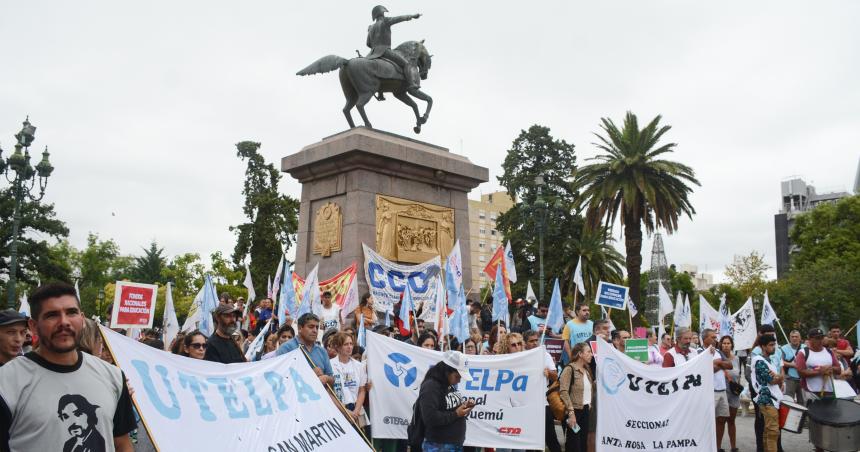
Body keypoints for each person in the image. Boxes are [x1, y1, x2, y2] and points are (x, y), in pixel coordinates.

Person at [0, 282, 135, 452]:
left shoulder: (113, 376)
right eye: (52, 315)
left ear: (82, 319)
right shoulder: (6, 383)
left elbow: (122, 444)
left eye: (71, 312)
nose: (64, 322)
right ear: (33, 326)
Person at [415, 350, 473, 452]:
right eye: (457, 376)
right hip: (438, 445)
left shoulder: (448, 384)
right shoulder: (431, 386)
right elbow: (430, 418)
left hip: (452, 444)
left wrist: (464, 406)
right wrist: (456, 414)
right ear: (447, 371)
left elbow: (447, 407)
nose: (459, 380)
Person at [366, 5, 422, 94]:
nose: (384, 14)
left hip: (371, 54)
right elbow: (399, 18)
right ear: (382, 13)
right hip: (384, 51)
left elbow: (368, 43)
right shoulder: (386, 21)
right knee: (406, 64)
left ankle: (380, 92)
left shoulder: (371, 27)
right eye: (384, 13)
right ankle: (412, 84)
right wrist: (412, 16)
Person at [523, 330, 561, 452]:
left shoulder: (545, 355)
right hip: (524, 404)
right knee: (528, 440)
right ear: (525, 343)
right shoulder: (519, 356)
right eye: (531, 341)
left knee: (550, 437)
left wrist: (548, 373)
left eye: (536, 340)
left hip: (542, 403)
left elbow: (555, 376)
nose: (535, 343)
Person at [277, 313, 334, 386]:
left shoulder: (322, 351)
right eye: (311, 327)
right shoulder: (286, 348)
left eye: (317, 327)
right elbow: (280, 377)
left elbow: (332, 379)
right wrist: (309, 375)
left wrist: (327, 378)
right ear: (300, 328)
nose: (315, 330)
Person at [559, 342, 594, 452]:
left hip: (585, 411)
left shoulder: (587, 370)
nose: (591, 354)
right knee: (574, 443)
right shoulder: (569, 369)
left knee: (583, 442)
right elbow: (563, 391)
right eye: (588, 352)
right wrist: (571, 413)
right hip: (574, 412)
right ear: (580, 354)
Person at [702, 329, 733, 452]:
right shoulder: (700, 352)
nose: (716, 339)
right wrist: (720, 364)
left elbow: (730, 365)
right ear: (705, 338)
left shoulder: (719, 351)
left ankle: (717, 447)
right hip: (710, 391)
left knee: (721, 419)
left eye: (716, 337)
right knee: (707, 421)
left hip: (722, 390)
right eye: (713, 337)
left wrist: (717, 362)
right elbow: (706, 369)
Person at [751, 335, 783, 452]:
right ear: (763, 346)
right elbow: (772, 380)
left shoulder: (768, 361)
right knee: (773, 431)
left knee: (768, 430)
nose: (773, 347)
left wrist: (778, 377)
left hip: (771, 399)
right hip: (768, 399)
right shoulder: (760, 361)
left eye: (774, 345)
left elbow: (777, 379)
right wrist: (779, 377)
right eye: (770, 345)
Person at [329, 333, 368, 424]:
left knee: (362, 436)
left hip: (357, 410)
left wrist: (356, 411)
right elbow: (329, 392)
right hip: (339, 409)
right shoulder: (330, 365)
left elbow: (362, 390)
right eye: (346, 344)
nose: (349, 347)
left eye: (351, 344)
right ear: (337, 347)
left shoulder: (359, 366)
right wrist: (346, 411)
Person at [720, 335, 741, 452]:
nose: (726, 345)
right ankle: (718, 446)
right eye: (724, 343)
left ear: (732, 345)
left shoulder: (736, 358)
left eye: (728, 343)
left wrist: (738, 388)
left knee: (731, 421)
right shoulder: (718, 358)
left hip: (734, 394)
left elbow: (738, 375)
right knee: (721, 421)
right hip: (722, 392)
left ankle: (733, 447)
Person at [780, 329, 805, 404]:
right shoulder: (784, 348)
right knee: (789, 400)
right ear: (789, 338)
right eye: (792, 337)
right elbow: (780, 362)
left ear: (800, 338)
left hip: (803, 378)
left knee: (803, 401)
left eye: (796, 337)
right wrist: (793, 365)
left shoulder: (805, 348)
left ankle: (803, 416)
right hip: (789, 378)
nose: (794, 338)